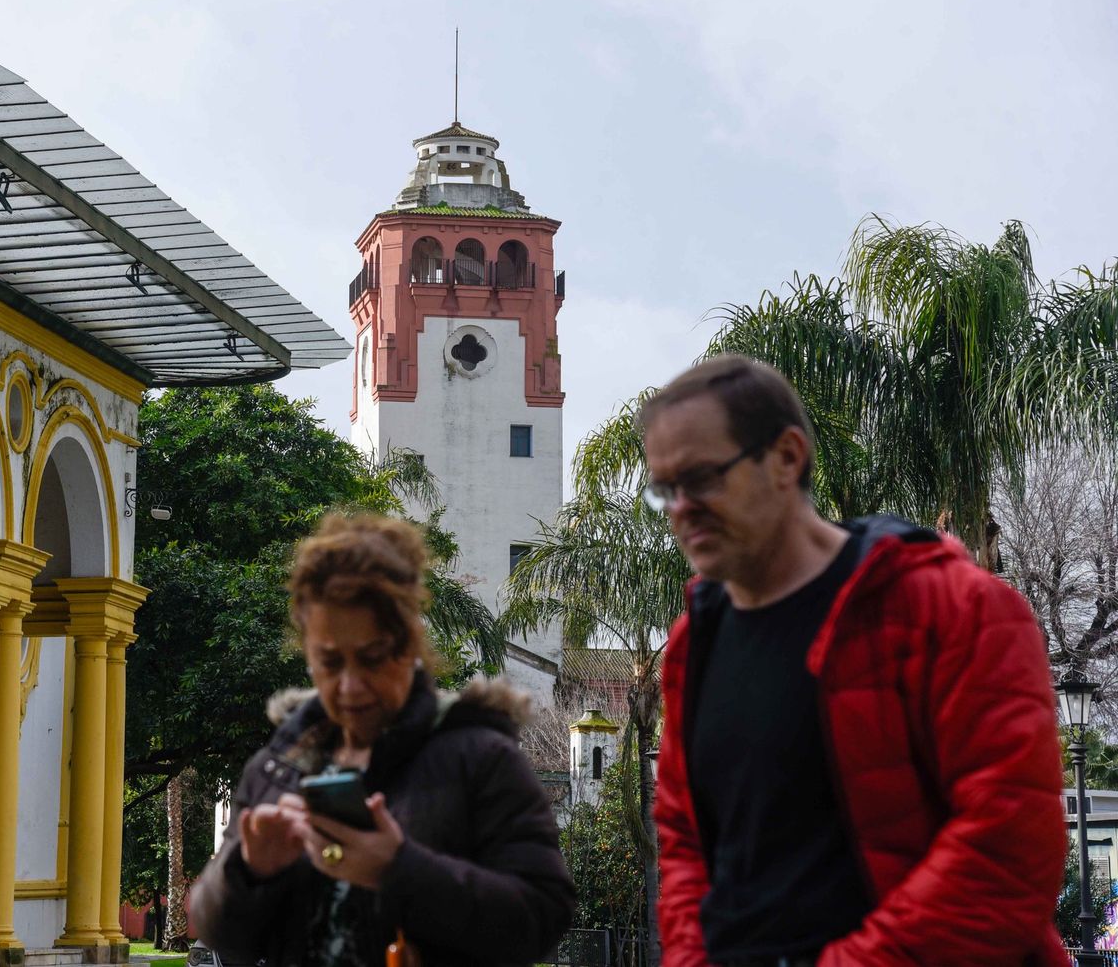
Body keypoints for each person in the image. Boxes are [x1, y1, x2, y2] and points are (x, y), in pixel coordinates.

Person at [645, 355, 1067, 966]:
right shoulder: (692, 642)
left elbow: (1007, 849)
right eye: (666, 490)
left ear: (787, 457)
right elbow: (685, 839)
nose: (682, 508)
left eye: (704, 477)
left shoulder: (952, 608)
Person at [190, 513, 574, 966]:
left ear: (409, 646)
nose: (350, 686)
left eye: (371, 659)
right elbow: (215, 928)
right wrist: (248, 871)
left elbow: (543, 918)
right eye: (329, 663)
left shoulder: (479, 756)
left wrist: (399, 869)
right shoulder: (281, 763)